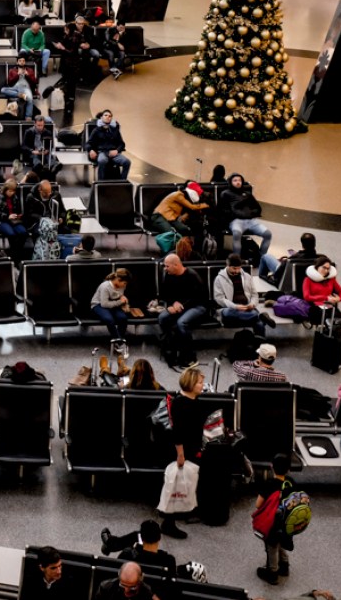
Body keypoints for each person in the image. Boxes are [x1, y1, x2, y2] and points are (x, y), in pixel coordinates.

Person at [160, 365, 207, 539]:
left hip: (191, 448)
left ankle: (180, 513)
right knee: (176, 483)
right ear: (191, 383)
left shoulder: (192, 401)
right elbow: (177, 431)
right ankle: (168, 522)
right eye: (200, 382)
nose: (202, 385)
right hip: (182, 450)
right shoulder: (181, 404)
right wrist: (180, 454)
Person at [220, 174, 277, 277]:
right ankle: (237, 261)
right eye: (235, 180)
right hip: (236, 221)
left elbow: (257, 208)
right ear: (230, 182)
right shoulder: (225, 194)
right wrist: (235, 213)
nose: (238, 182)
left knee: (268, 234)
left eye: (240, 180)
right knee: (237, 234)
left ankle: (261, 258)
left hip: (251, 221)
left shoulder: (247, 194)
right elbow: (223, 210)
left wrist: (250, 213)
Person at [254, 454, 299, 584]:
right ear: (288, 469)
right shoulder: (291, 482)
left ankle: (272, 573)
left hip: (272, 522)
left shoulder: (269, 484)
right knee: (282, 540)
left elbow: (258, 504)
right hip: (287, 522)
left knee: (272, 546)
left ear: (271, 467)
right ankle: (284, 566)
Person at [156, 253, 208, 355]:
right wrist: (172, 304)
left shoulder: (192, 276)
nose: (165, 269)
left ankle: (188, 352)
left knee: (181, 322)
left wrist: (181, 306)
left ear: (176, 265)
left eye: (167, 266)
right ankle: (170, 344)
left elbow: (199, 297)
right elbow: (165, 294)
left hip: (197, 306)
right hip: (178, 306)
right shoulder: (168, 275)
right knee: (162, 317)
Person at [214, 253, 274, 336]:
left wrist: (252, 304)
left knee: (258, 324)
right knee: (228, 313)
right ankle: (259, 316)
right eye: (234, 268)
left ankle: (260, 344)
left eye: (238, 268)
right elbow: (219, 299)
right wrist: (235, 306)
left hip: (246, 308)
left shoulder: (247, 277)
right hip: (229, 309)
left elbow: (254, 295)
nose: (236, 271)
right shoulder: (219, 279)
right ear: (227, 265)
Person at [302, 254, 341, 325]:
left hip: (329, 306)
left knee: (334, 318)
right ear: (317, 267)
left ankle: (334, 326)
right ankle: (333, 325)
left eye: (328, 269)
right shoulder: (308, 280)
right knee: (329, 318)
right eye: (324, 268)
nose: (326, 271)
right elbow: (307, 297)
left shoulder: (331, 279)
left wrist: (339, 298)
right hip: (315, 306)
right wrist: (326, 297)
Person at [0, 178, 28, 259]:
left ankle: (16, 252)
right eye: (10, 191)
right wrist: (7, 216)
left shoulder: (15, 197)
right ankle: (15, 255)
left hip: (13, 221)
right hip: (1, 221)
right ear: (5, 189)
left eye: (13, 191)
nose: (12, 193)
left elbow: (16, 210)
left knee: (23, 233)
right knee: (11, 234)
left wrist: (17, 215)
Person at [86, 109, 131, 180]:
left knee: (127, 162)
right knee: (102, 160)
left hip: (114, 153)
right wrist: (91, 150)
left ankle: (122, 182)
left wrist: (117, 151)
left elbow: (122, 144)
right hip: (102, 152)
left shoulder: (114, 130)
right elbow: (88, 143)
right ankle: (100, 183)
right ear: (101, 117)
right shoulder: (96, 130)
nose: (108, 117)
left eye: (110, 116)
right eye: (105, 115)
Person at [25, 179, 65, 257]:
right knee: (38, 233)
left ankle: (58, 254)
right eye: (46, 193)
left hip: (53, 222)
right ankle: (40, 253)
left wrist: (61, 217)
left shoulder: (56, 195)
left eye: (49, 192)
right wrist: (42, 219)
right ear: (40, 189)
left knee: (65, 230)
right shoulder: (31, 197)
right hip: (37, 222)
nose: (48, 194)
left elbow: (63, 210)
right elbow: (29, 214)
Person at [91, 268, 132, 340]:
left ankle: (120, 338)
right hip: (99, 305)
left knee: (123, 318)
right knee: (109, 319)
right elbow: (104, 304)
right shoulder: (105, 286)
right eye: (124, 283)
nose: (125, 285)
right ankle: (118, 341)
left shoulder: (122, 285)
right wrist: (120, 302)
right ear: (118, 279)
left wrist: (123, 298)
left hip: (113, 304)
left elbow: (119, 295)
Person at [94, 561, 162, 600]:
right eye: (122, 586)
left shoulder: (147, 592)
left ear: (140, 581)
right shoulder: (106, 588)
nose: (126, 591)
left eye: (132, 588)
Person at [0, 56, 38, 120]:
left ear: (25, 62)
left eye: (23, 61)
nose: (22, 62)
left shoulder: (29, 70)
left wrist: (27, 75)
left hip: (26, 88)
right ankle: (20, 95)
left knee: (30, 99)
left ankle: (28, 117)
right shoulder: (12, 70)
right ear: (17, 62)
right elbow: (9, 82)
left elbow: (34, 82)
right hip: (15, 87)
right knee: (3, 90)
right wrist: (17, 75)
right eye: (20, 61)